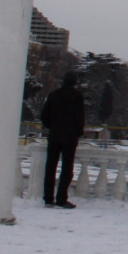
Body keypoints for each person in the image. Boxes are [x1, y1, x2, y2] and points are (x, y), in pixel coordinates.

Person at [39, 70, 85, 209]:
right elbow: (80, 117)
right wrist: (78, 132)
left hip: (54, 135)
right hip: (70, 137)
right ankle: (61, 198)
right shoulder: (77, 96)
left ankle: (48, 198)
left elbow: (44, 115)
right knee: (66, 168)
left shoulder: (54, 95)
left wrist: (52, 126)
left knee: (50, 167)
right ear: (75, 82)